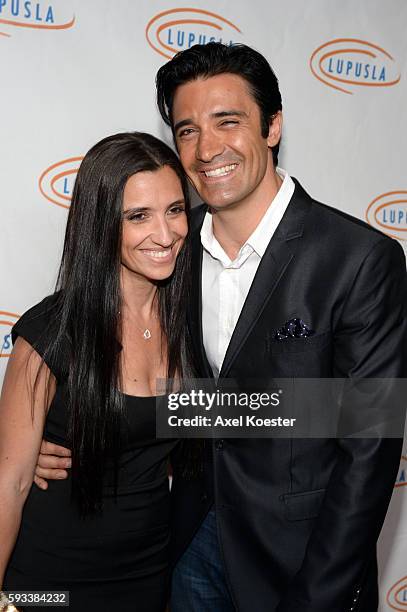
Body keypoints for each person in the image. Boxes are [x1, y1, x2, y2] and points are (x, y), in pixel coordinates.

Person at [34, 43, 407, 612]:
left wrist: (321, 593)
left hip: (301, 559)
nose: (207, 149)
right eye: (187, 130)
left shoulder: (358, 259)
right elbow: (176, 394)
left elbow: (369, 445)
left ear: (273, 126)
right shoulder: (169, 247)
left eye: (227, 122)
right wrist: (57, 433)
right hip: (185, 545)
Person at [0, 131, 193, 611]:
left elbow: (233, 415)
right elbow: (11, 482)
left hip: (149, 579)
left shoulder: (192, 323)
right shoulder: (53, 331)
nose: (166, 234)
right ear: (101, 225)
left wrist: (365, 410)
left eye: (175, 210)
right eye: (139, 216)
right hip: (49, 585)